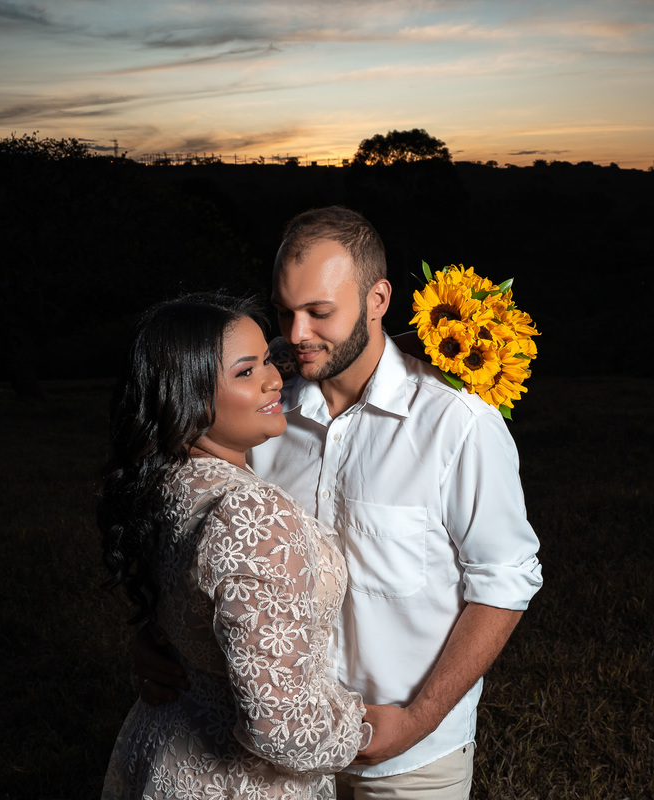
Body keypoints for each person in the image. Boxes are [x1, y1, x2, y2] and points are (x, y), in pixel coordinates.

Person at [137, 208, 543, 799]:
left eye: (319, 312)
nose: (298, 334)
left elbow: (504, 582)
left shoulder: (456, 425)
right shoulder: (262, 412)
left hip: (410, 758)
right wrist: (156, 632)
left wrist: (418, 719)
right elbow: (202, 534)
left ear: (378, 299)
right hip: (271, 758)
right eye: (284, 311)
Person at [98, 292, 378, 800]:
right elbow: (282, 729)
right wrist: (367, 729)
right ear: (188, 395)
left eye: (269, 361)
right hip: (240, 781)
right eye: (247, 373)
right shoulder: (255, 514)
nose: (276, 380)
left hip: (166, 743)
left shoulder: (165, 478)